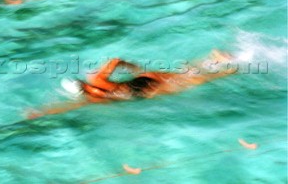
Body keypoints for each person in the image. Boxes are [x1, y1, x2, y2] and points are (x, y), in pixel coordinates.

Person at [27, 50, 235, 119]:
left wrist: (42, 112)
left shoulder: (94, 98)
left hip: (150, 90)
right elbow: (115, 60)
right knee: (186, 73)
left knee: (194, 81)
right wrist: (134, 68)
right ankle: (214, 57)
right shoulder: (96, 81)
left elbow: (67, 107)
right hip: (144, 78)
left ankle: (231, 70)